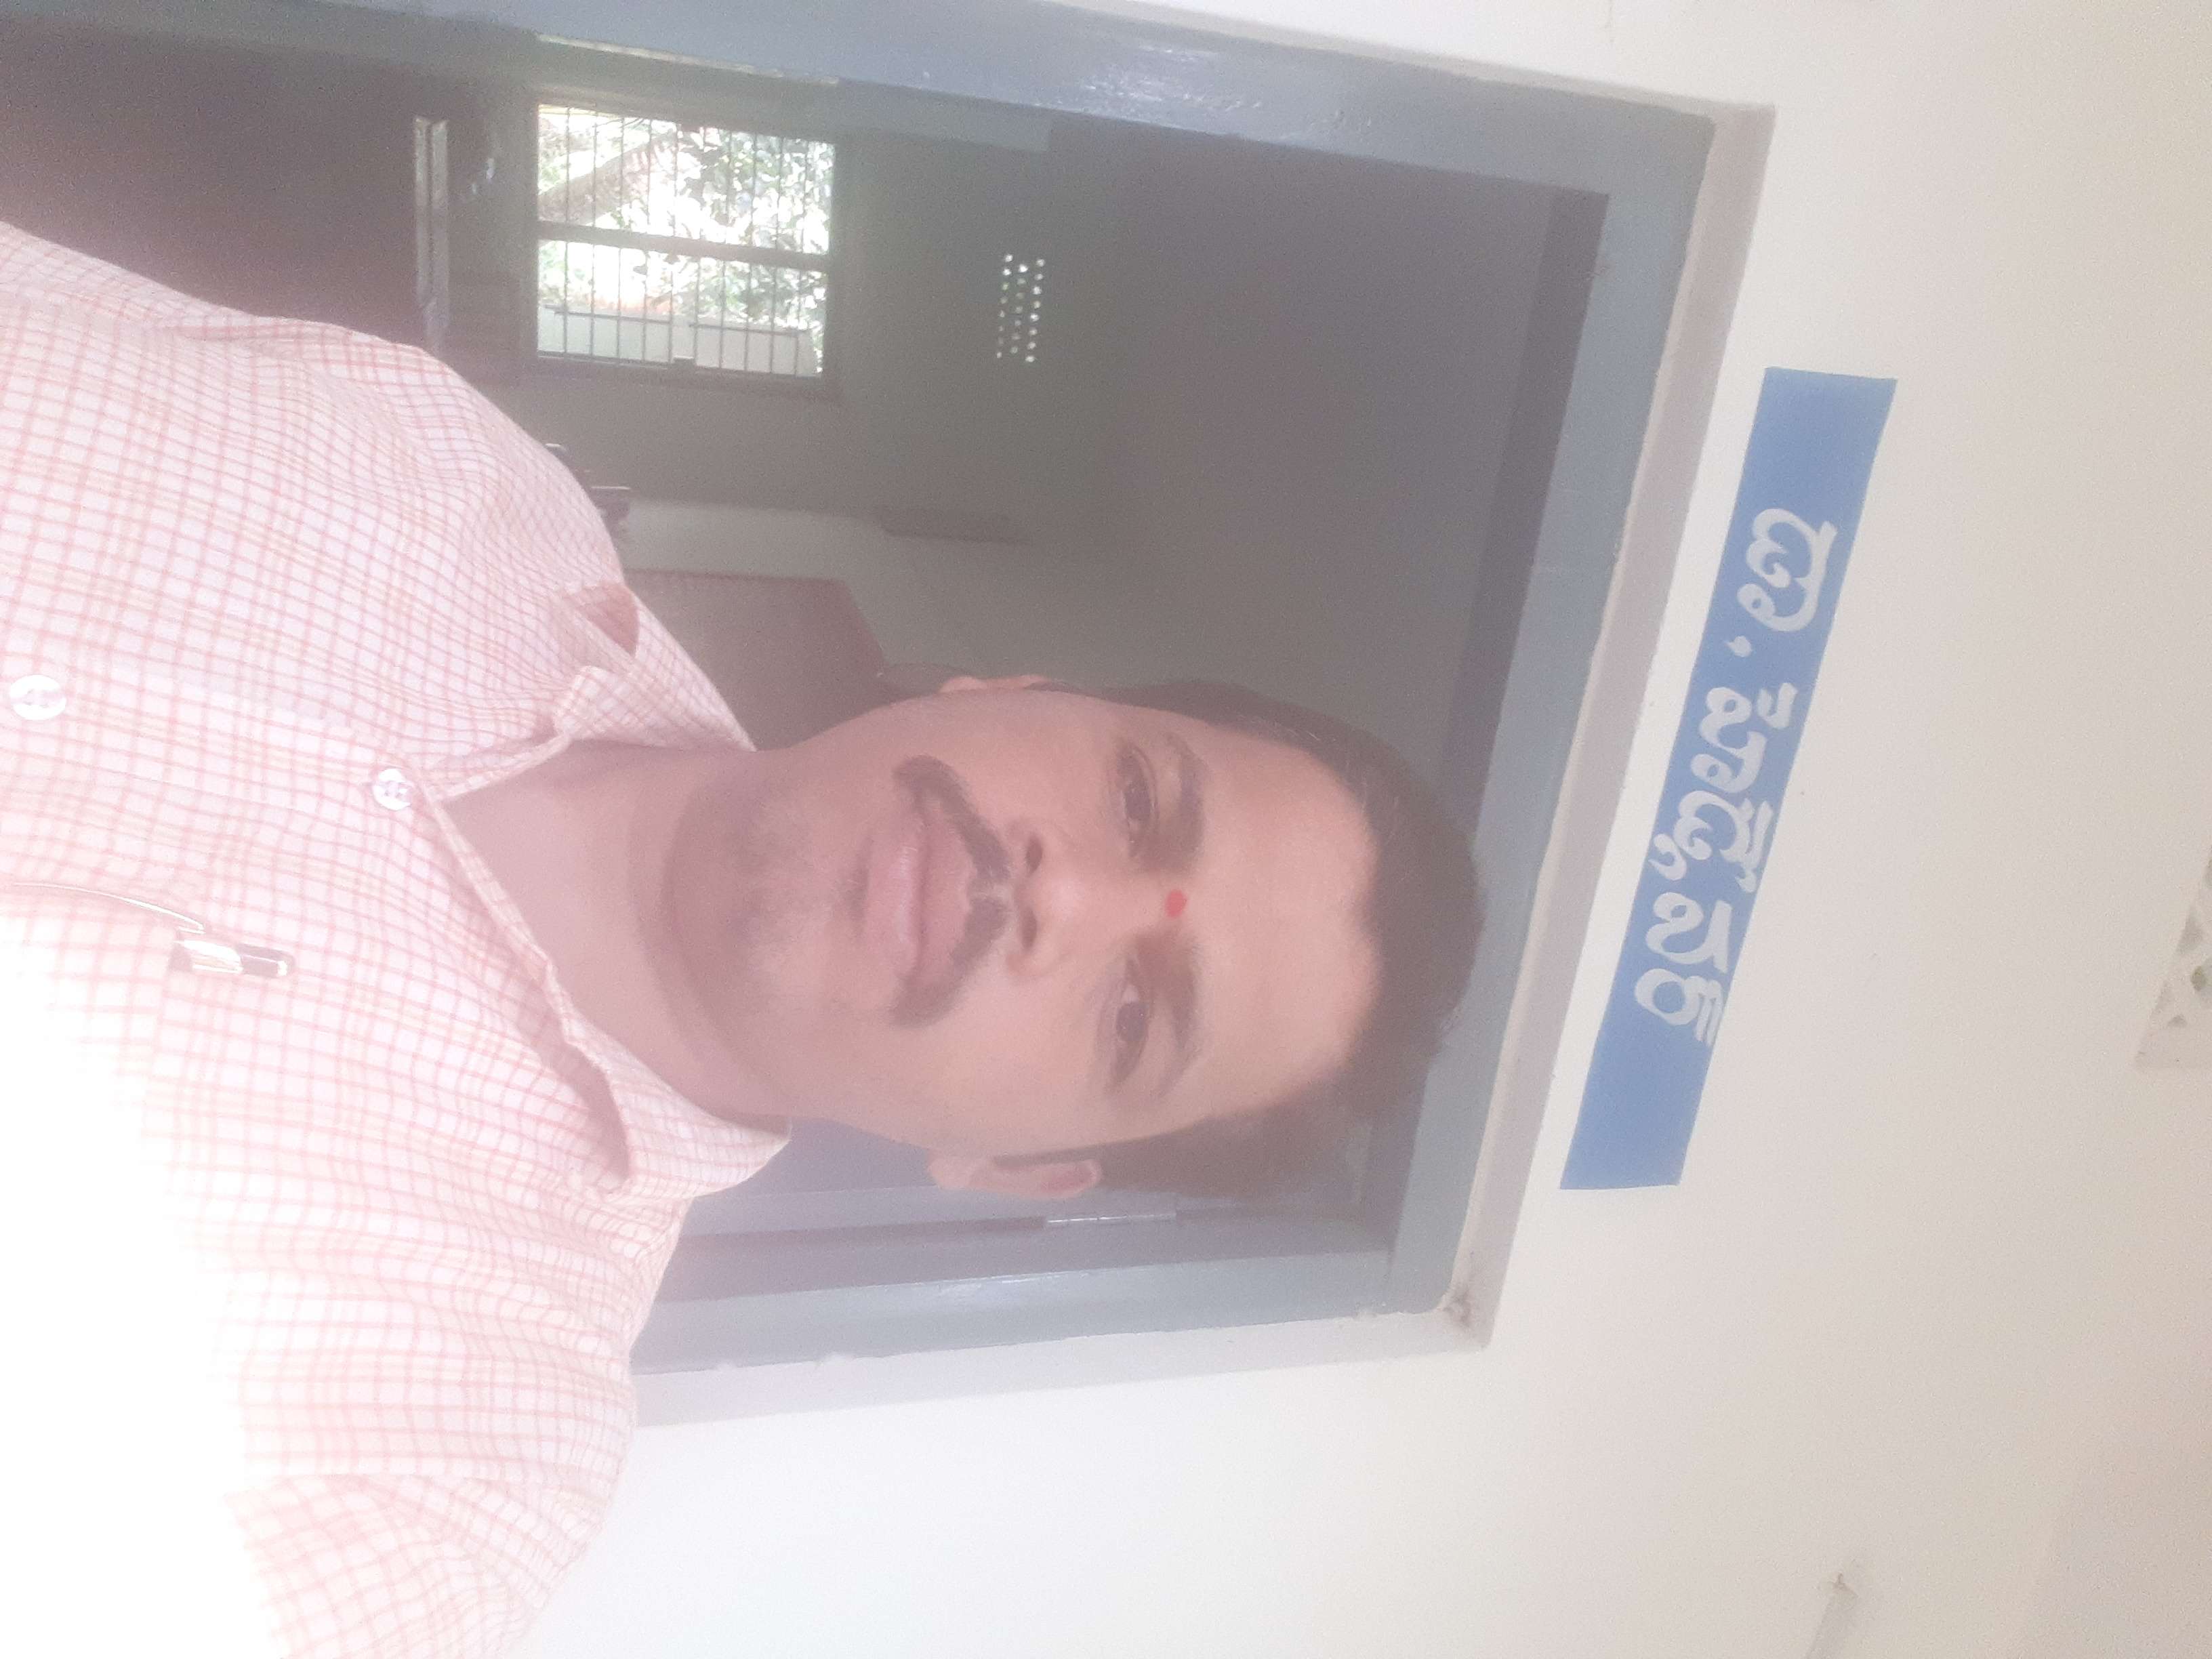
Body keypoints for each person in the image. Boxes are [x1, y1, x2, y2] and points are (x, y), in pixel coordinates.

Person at [0, 220, 1478, 1657]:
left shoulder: (442, 1468)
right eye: (1140, 801)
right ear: (1005, 689)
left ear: (1014, 1169)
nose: (1066, 901)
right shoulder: (440, 461)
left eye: (1135, 1018)